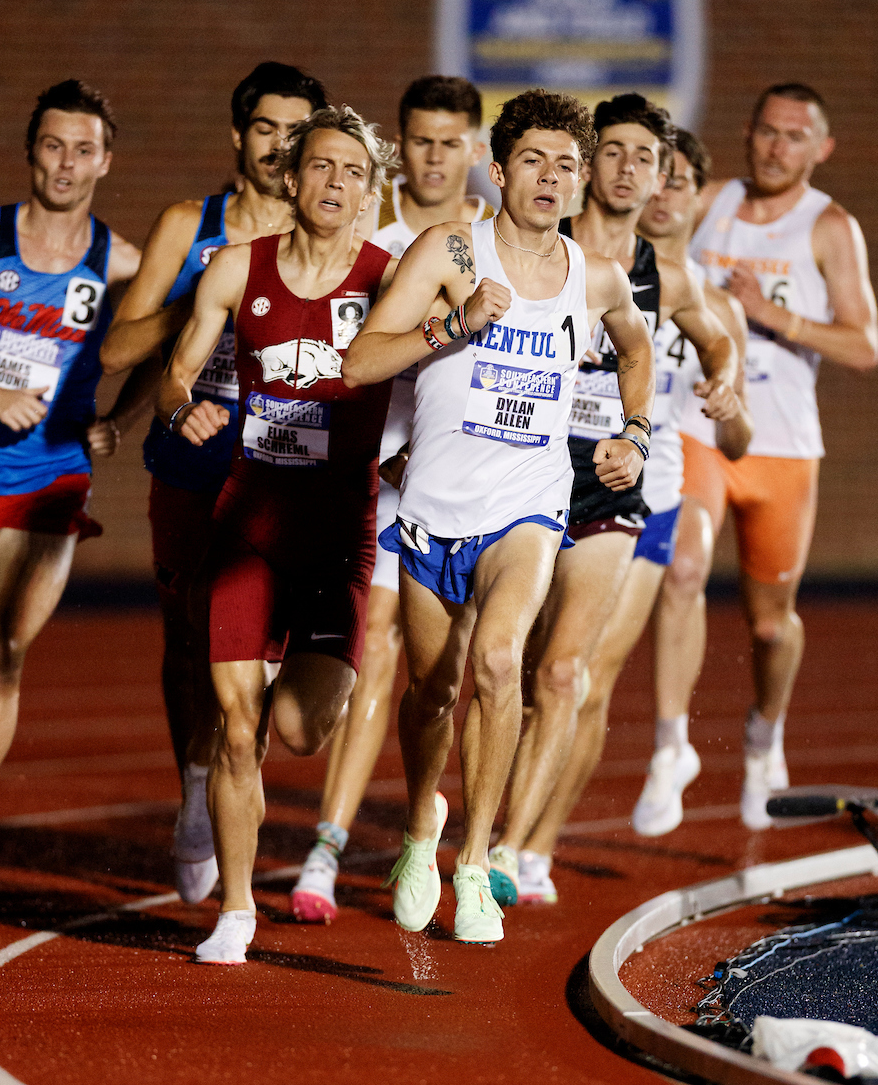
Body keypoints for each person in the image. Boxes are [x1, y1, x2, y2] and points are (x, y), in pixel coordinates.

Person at [344, 88, 655, 944]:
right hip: (433, 501)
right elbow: (363, 358)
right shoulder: (449, 248)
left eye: (567, 166)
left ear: (582, 179)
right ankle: (420, 832)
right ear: (498, 166)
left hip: (529, 502)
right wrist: (452, 324)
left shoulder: (593, 277)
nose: (551, 179)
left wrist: (635, 429)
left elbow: (636, 347)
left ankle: (476, 862)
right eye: (534, 162)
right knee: (431, 692)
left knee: (499, 659)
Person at [156, 105, 399, 964]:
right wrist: (183, 408)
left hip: (336, 538)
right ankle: (236, 909)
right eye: (322, 167)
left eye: (354, 172)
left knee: (296, 730)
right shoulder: (237, 267)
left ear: (373, 191)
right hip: (246, 523)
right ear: (291, 179)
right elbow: (177, 371)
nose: (337, 184)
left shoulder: (387, 276)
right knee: (234, 726)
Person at [487, 97, 738, 907]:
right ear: (591, 164)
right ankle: (490, 829)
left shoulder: (671, 275)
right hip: (530, 471)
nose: (631, 171)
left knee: (577, 677)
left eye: (647, 158)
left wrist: (725, 373)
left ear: (666, 173)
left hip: (633, 488)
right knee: (513, 671)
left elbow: (715, 334)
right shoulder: (546, 249)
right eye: (616, 153)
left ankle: (527, 846)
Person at [100, 63, 328, 903]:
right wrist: (210, 291)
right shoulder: (187, 224)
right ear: (239, 136)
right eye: (266, 129)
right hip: (195, 454)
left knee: (261, 658)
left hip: (286, 463)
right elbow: (119, 351)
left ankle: (231, 773)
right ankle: (198, 785)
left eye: (297, 133)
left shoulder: (325, 231)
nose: (281, 147)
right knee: (189, 636)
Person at [0, 79, 142, 906]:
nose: (66, 163)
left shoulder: (118, 263)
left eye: (83, 148)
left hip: (49, 482)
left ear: (106, 161)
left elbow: (178, 332)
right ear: (32, 152)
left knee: (0, 656)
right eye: (53, 145)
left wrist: (119, 418)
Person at [291, 75, 492, 923]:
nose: (437, 157)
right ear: (398, 149)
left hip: (468, 488)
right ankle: (327, 850)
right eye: (421, 141)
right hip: (378, 478)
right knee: (375, 656)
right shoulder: (370, 245)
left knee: (456, 674)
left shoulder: (496, 245)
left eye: (453, 142)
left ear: (476, 150)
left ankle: (452, 833)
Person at [677, 83, 878, 829]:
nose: (776, 147)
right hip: (699, 424)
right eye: (767, 131)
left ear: (821, 148)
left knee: (769, 625)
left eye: (796, 136)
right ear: (746, 132)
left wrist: (773, 315)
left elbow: (865, 344)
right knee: (687, 568)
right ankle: (673, 740)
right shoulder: (710, 202)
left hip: (784, 443)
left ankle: (765, 729)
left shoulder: (829, 228)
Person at [629, 129, 753, 837]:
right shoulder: (596, 270)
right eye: (657, 175)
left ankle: (671, 744)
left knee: (689, 563)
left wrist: (729, 406)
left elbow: (740, 440)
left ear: (701, 197)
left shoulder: (714, 306)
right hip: (588, 461)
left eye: (682, 180)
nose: (666, 192)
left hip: (678, 450)